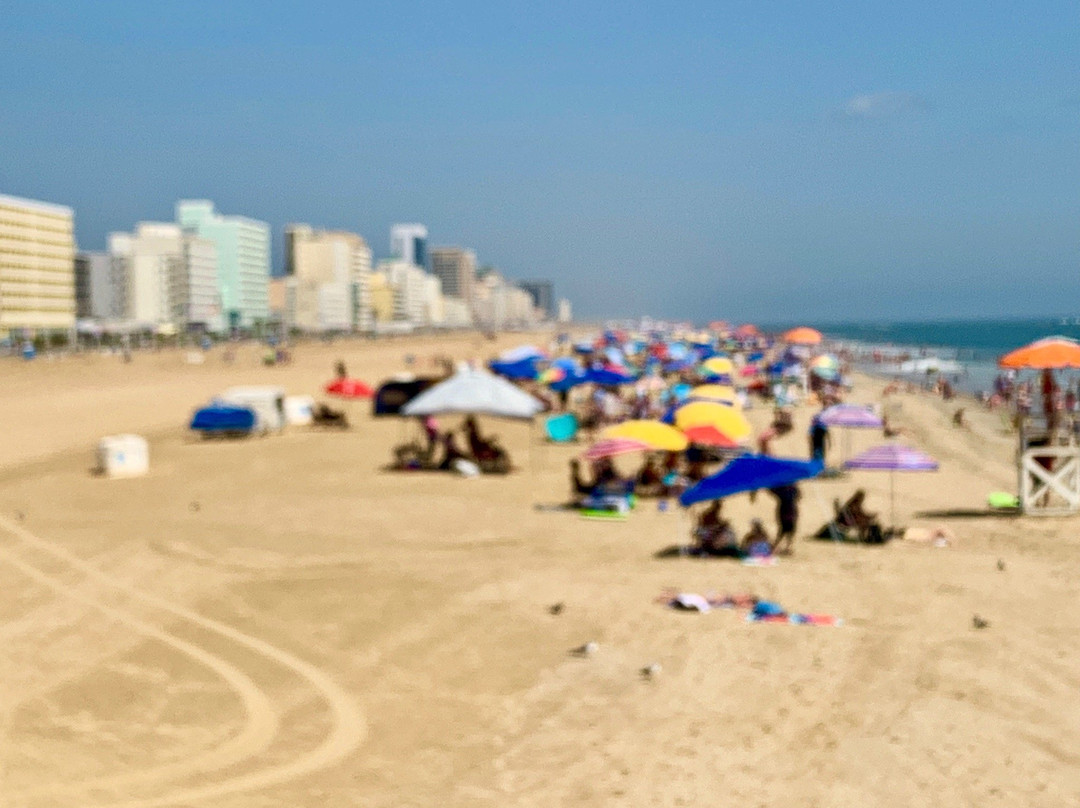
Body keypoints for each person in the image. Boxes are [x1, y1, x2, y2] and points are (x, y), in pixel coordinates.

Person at [770, 483, 801, 555]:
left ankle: (780, 546)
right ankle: (787, 546)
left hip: (786, 509)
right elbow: (799, 496)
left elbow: (772, 491)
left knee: (784, 529)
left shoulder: (783, 488)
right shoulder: (793, 489)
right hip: (791, 509)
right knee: (788, 529)